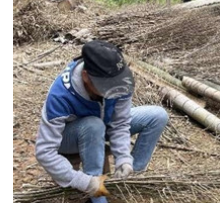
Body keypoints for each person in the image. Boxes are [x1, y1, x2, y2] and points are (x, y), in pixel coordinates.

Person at [35, 40, 169, 202]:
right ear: (85, 76)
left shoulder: (120, 80)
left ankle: (130, 180)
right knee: (93, 125)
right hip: (71, 137)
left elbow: (120, 123)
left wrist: (124, 158)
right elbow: (44, 152)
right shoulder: (60, 95)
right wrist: (85, 182)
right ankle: (96, 193)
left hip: (104, 125)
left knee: (157, 116)